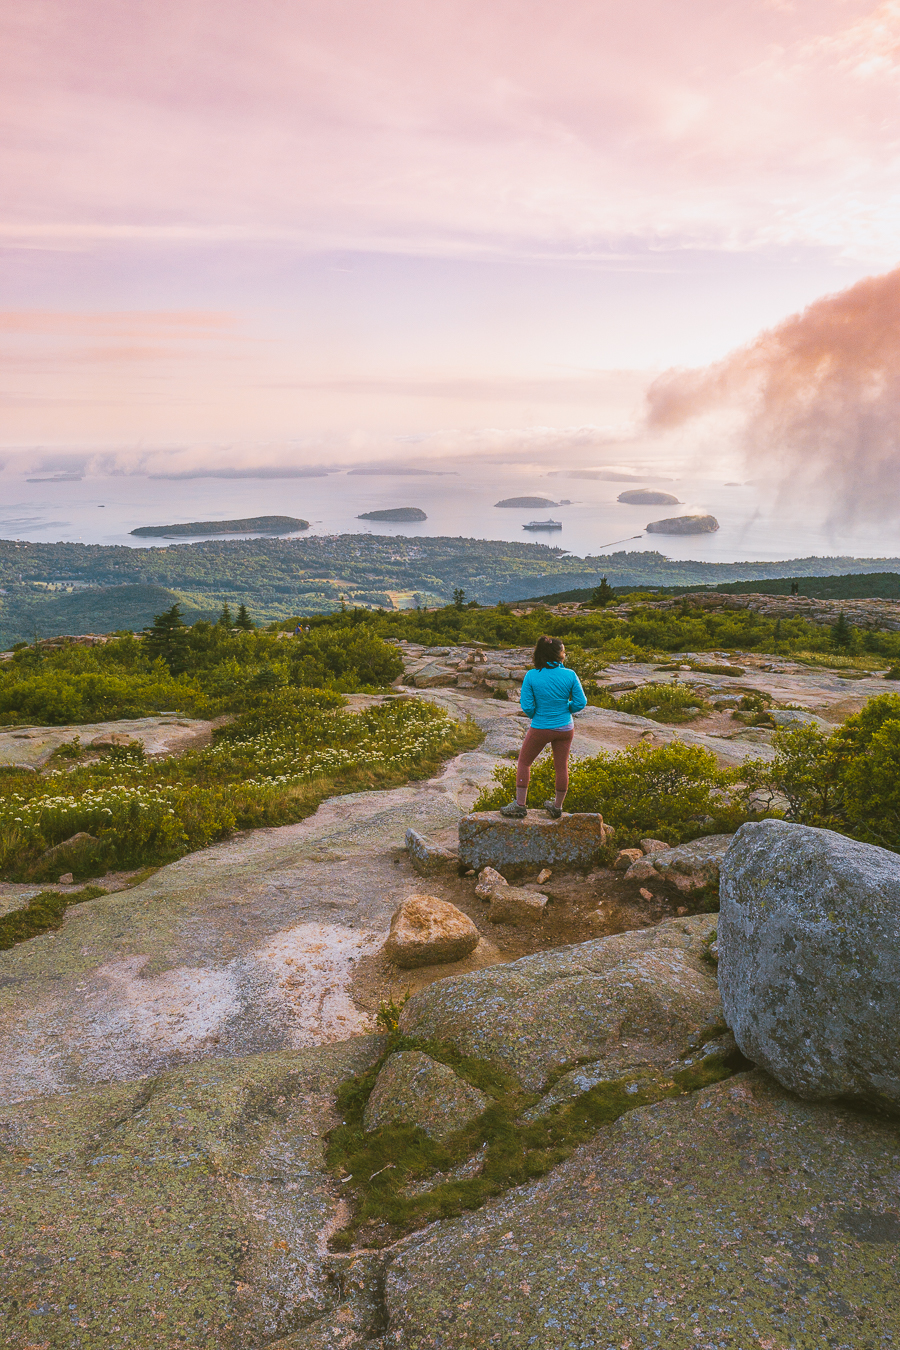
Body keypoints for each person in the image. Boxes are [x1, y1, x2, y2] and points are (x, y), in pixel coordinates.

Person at [500, 635, 587, 819]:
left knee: (524, 762)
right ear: (558, 655)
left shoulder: (532, 675)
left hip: (540, 727)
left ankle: (520, 805)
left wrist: (538, 715)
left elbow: (527, 707)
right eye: (563, 650)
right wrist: (567, 709)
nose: (565, 652)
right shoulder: (570, 675)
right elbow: (581, 702)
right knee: (561, 766)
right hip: (565, 728)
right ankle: (557, 806)